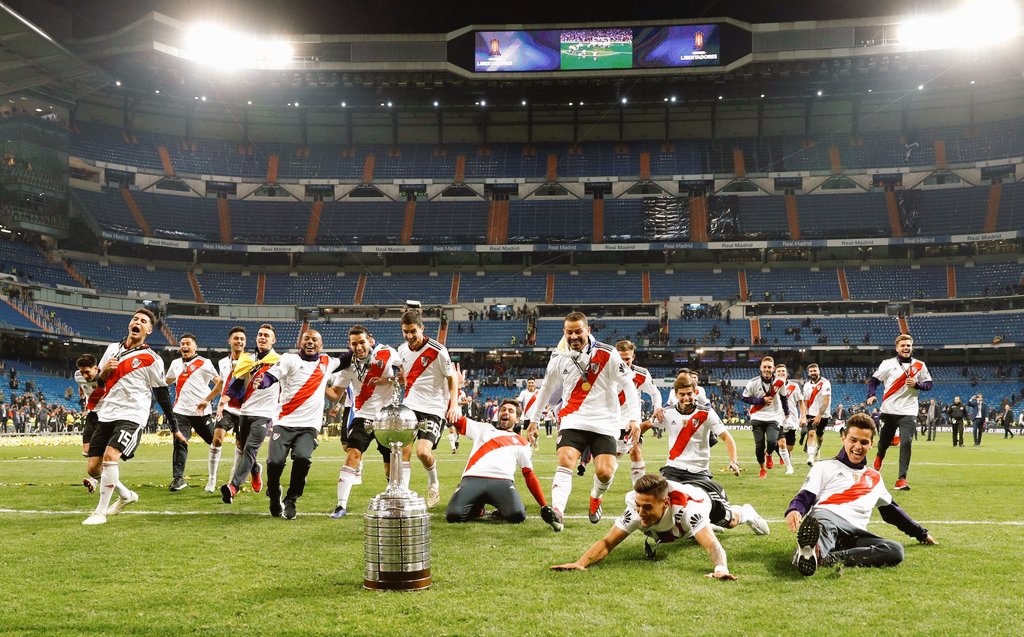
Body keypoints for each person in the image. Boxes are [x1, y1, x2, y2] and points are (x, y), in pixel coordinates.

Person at [525, 312, 640, 532]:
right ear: (564, 333)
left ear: (588, 330)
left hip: (605, 422)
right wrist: (534, 419)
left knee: (605, 472)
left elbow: (628, 384)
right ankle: (558, 512)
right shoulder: (558, 356)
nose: (574, 336)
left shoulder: (608, 353)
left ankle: (595, 497)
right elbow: (547, 389)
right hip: (572, 419)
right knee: (566, 459)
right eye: (570, 332)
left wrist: (634, 418)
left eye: (579, 331)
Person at [785, 413, 937, 576]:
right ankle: (812, 551)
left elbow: (893, 513)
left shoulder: (875, 477)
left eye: (864, 442)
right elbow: (805, 496)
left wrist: (921, 533)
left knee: (895, 550)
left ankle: (823, 557)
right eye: (853, 440)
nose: (858, 446)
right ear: (843, 438)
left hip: (855, 535)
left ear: (871, 444)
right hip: (828, 519)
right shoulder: (824, 466)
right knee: (822, 528)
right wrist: (795, 510)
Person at [550, 473, 759, 580]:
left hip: (706, 494)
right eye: (639, 506)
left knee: (730, 521)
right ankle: (698, 530)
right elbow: (607, 543)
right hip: (678, 500)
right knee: (684, 533)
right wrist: (580, 563)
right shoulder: (635, 509)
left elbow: (712, 545)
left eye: (647, 507)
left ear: (666, 503)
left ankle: (747, 512)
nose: (641, 512)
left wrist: (721, 569)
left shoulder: (689, 510)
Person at [82, 309, 175, 526]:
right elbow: (101, 382)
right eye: (135, 319)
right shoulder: (112, 350)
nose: (138, 323)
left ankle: (100, 512)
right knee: (93, 468)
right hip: (107, 413)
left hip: (132, 415)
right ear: (129, 324)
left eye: (143, 321)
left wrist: (174, 424)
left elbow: (161, 392)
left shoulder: (152, 358)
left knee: (110, 456)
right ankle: (126, 495)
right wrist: (105, 370)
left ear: (149, 330)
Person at [653, 374, 769, 536]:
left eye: (689, 394)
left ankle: (745, 513)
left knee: (728, 520)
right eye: (682, 394)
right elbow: (647, 424)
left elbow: (727, 438)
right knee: (661, 505)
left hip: (699, 474)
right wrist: (637, 429)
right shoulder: (667, 412)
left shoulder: (707, 413)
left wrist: (733, 461)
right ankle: (697, 526)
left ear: (696, 393)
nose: (686, 397)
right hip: (673, 469)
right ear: (676, 394)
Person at [256, 329, 346, 519]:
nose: (310, 342)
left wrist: (367, 345)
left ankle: (291, 499)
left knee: (303, 458)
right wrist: (263, 382)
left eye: (315, 340)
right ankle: (274, 495)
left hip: (309, 426)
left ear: (321, 345)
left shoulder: (327, 362)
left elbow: (347, 358)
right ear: (300, 342)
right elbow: (272, 375)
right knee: (275, 462)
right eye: (306, 339)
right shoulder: (289, 359)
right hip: (284, 422)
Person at [325, 325, 399, 518]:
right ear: (349, 345)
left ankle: (393, 499)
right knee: (352, 454)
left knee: (389, 461)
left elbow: (406, 376)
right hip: (363, 416)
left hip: (387, 416)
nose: (358, 347)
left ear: (370, 341)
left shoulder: (387, 353)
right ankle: (341, 505)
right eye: (354, 344)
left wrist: (388, 380)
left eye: (362, 342)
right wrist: (319, 382)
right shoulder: (348, 366)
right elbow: (335, 394)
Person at [445, 399, 550, 523]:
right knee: (454, 515)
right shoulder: (483, 428)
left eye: (511, 411)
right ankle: (478, 508)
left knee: (517, 515)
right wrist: (450, 397)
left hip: (502, 481)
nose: (505, 412)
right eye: (503, 410)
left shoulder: (522, 443)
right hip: (473, 478)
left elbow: (529, 474)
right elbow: (454, 418)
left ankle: (495, 507)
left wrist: (544, 506)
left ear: (517, 419)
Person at [396, 311, 460, 508]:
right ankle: (403, 493)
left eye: (412, 331)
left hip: (433, 409)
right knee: (402, 451)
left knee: (423, 452)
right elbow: (406, 377)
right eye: (405, 332)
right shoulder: (401, 350)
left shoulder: (438, 350)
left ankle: (433, 483)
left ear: (421, 328)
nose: (409, 336)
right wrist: (401, 380)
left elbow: (452, 378)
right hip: (409, 406)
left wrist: (454, 404)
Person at [220, 324, 280, 504]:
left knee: (250, 448)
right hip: (245, 412)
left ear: (273, 340)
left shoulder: (279, 361)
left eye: (266, 336)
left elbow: (274, 380)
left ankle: (233, 486)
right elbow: (237, 383)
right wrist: (226, 397)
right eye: (260, 335)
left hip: (265, 413)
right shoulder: (247, 359)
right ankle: (255, 470)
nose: (262, 337)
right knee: (243, 447)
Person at [866, 334, 933, 490]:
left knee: (907, 442)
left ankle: (902, 479)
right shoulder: (887, 364)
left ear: (911, 347)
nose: (906, 348)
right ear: (897, 348)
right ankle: (880, 455)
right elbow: (874, 381)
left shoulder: (919, 365)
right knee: (884, 442)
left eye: (908, 345)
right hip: (889, 410)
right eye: (903, 345)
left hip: (909, 410)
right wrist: (871, 395)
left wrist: (918, 385)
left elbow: (929, 384)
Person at [164, 333, 222, 492]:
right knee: (180, 443)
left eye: (188, 343)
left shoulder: (205, 363)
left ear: (195, 347)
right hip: (180, 412)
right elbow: (167, 381)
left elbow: (219, 384)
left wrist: (207, 400)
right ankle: (178, 479)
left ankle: (242, 468)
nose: (184, 346)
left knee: (215, 442)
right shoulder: (175, 363)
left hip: (201, 412)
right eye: (182, 343)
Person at [614, 340, 664, 486]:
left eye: (627, 359)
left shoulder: (641, 374)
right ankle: (598, 493)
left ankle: (638, 490)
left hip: (631, 422)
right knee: (610, 463)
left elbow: (655, 393)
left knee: (636, 451)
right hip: (611, 423)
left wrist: (658, 407)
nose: (624, 362)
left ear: (633, 357)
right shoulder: (607, 372)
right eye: (620, 359)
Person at [210, 326, 248, 493]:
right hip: (227, 407)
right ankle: (212, 479)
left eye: (242, 339)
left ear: (245, 342)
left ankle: (233, 479)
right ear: (230, 341)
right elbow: (222, 384)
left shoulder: (250, 361)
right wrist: (208, 400)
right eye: (236, 338)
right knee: (217, 439)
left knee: (241, 446)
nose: (239, 341)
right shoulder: (222, 363)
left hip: (245, 409)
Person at [741, 356, 789, 479]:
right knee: (759, 445)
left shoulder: (780, 382)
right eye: (765, 367)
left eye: (769, 367)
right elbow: (745, 397)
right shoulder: (753, 382)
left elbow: (784, 397)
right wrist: (761, 400)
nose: (767, 369)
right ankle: (762, 469)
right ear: (761, 368)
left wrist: (787, 412)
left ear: (773, 369)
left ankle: (769, 454)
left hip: (773, 416)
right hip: (757, 416)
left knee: (772, 441)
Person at [74, 354, 105, 493]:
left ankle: (96, 479)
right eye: (82, 372)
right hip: (92, 414)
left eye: (87, 372)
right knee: (86, 450)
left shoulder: (106, 376)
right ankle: (99, 478)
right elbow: (81, 384)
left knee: (98, 450)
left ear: (96, 369)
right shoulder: (77, 376)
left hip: (106, 414)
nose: (85, 375)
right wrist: (81, 390)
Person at [801, 363, 832, 465]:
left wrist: (819, 415)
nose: (813, 373)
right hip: (811, 413)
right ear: (808, 373)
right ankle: (810, 457)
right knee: (811, 433)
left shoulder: (825, 383)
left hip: (823, 414)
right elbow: (805, 401)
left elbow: (826, 401)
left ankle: (817, 447)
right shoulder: (806, 385)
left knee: (819, 436)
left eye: (815, 370)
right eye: (811, 371)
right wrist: (804, 415)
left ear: (818, 371)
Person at [774, 364, 802, 475]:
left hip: (792, 420)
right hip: (777, 419)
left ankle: (779, 453)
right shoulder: (772, 386)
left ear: (787, 374)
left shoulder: (794, 386)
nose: (781, 373)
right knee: (781, 444)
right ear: (775, 374)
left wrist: (803, 416)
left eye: (783, 371)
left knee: (789, 448)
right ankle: (789, 468)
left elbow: (801, 401)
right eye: (778, 371)